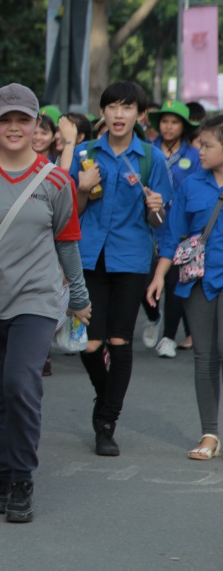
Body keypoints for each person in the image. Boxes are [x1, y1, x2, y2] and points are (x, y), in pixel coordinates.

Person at [0, 83, 89, 524]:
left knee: (20, 384)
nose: (13, 127)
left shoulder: (57, 180)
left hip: (37, 300)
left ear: (35, 126)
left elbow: (67, 244)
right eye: (4, 119)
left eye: (22, 120)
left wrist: (79, 298)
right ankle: (3, 473)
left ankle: (23, 477)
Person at [70, 81, 171, 457]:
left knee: (119, 341)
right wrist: (81, 187)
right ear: (103, 112)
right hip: (89, 258)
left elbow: (161, 221)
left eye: (127, 107)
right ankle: (107, 396)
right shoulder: (84, 153)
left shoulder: (151, 158)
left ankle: (106, 422)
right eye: (112, 106)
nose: (118, 114)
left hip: (130, 259)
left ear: (140, 115)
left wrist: (156, 206)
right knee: (89, 343)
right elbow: (70, 215)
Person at [148, 114, 223, 460]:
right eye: (199, 144)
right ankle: (209, 434)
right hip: (199, 283)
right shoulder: (191, 184)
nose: (199, 151)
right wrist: (160, 275)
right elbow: (172, 235)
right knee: (204, 357)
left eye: (206, 145)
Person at [142, 101, 200, 356]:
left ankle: (168, 337)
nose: (168, 126)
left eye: (174, 122)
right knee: (145, 279)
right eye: (164, 121)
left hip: (181, 228)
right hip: (149, 224)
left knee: (175, 279)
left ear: (183, 126)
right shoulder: (147, 152)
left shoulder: (195, 156)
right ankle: (154, 316)